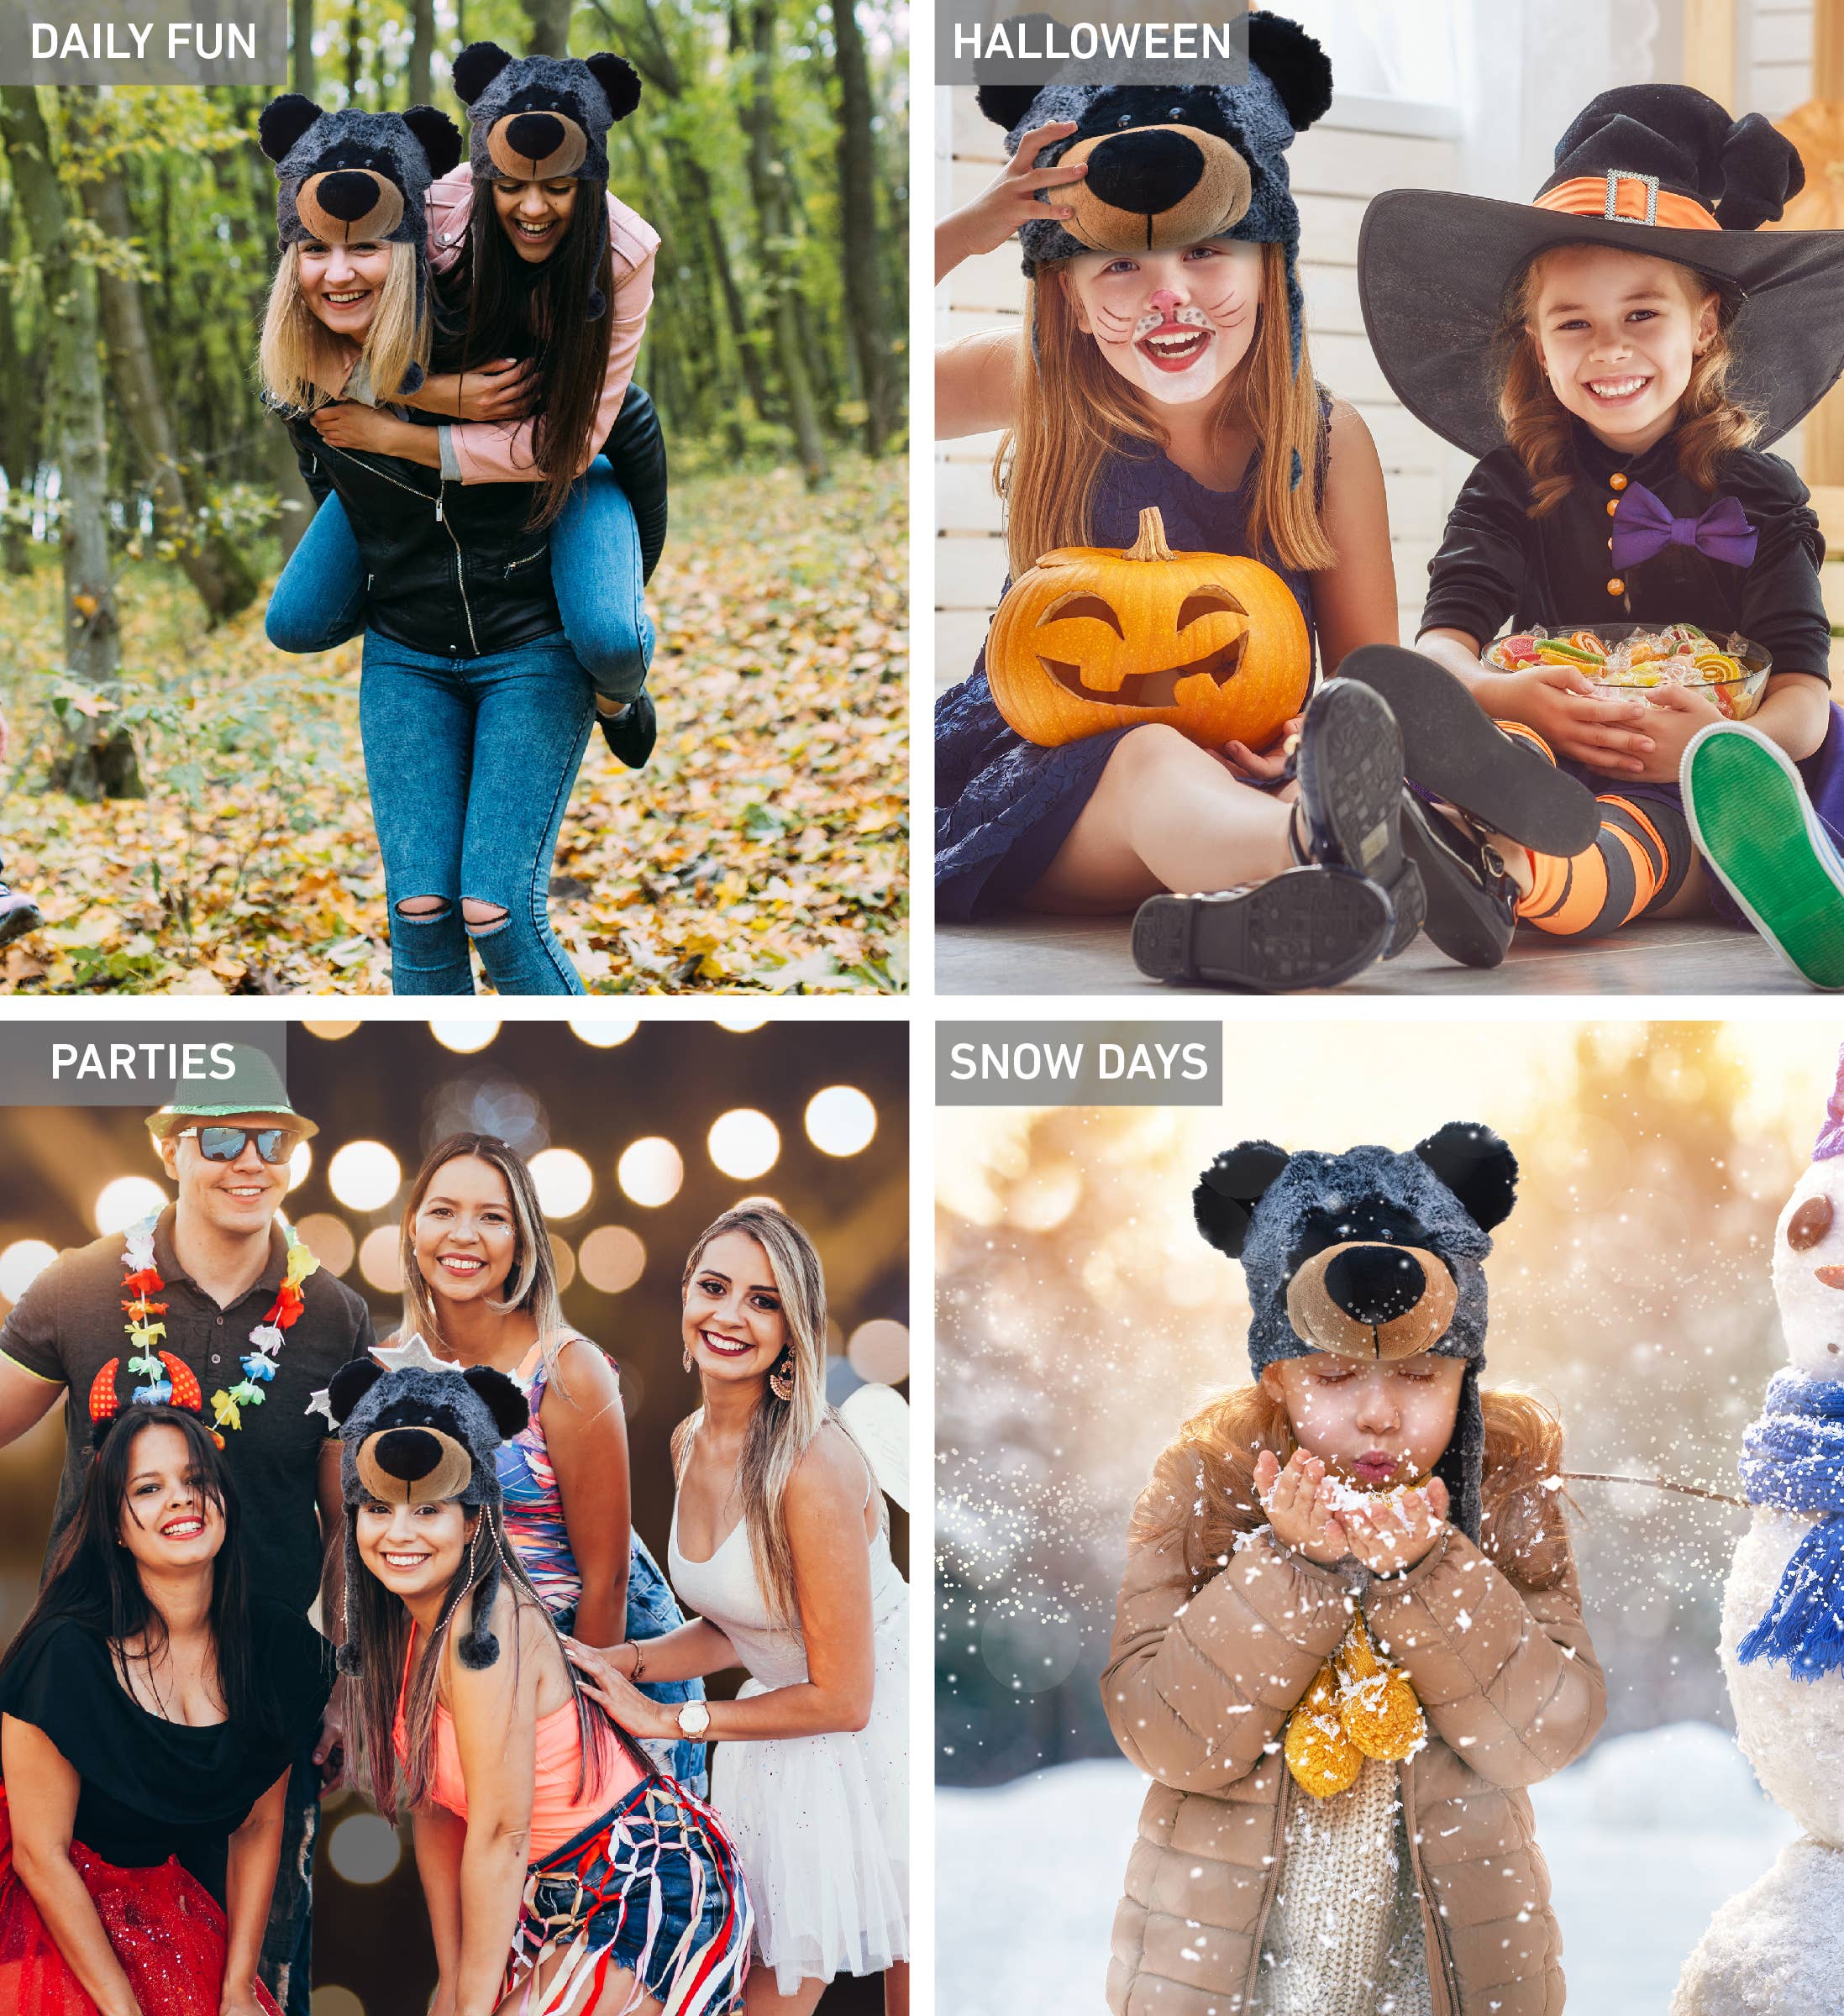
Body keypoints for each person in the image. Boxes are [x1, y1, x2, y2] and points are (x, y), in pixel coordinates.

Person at [932, 18, 1592, 991]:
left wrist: (1350, 726)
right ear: (1066, 298)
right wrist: (969, 230)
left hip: (1252, 767)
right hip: (1050, 781)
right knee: (1153, 755)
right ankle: (1341, 847)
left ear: (1267, 266)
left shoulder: (1322, 442)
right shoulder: (1041, 383)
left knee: (1345, 735)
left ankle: (1276, 905)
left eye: (1208, 256)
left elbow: (1366, 665)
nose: (1170, 298)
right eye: (1120, 265)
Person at [1103, 1129, 1605, 2015]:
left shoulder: (1502, 1482)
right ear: (1276, 1376)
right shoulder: (1207, 1484)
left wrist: (1429, 1571)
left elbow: (1543, 1732)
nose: (1377, 1414)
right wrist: (1286, 1564)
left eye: (1418, 1377)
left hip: (1444, 1975)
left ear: (1465, 1377)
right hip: (1230, 1974)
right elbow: (1166, 1737)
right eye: (1333, 1377)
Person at [1358, 83, 1844, 977]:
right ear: (1535, 346)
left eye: (1640, 315)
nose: (1607, 349)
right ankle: (1457, 849)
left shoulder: (1759, 495)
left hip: (1700, 757)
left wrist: (1714, 747)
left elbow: (1804, 708)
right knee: (1505, 758)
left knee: (1641, 825)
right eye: (1571, 324)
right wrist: (1507, 694)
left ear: (1702, 326)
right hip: (1545, 729)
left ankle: (1538, 874)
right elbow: (1442, 653)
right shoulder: (1509, 484)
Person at [255, 94, 665, 995]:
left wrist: (428, 419)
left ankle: (614, 688)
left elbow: (617, 424)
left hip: (530, 628)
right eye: (315, 252)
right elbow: (339, 478)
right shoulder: (297, 381)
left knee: (497, 912)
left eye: (364, 248)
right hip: (410, 647)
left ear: (413, 250)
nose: (338, 273)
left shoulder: (488, 323)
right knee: (420, 913)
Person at [0, 1045, 373, 2016]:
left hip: (253, 1698)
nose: (248, 1161)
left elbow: (348, 1529)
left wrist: (338, 1685)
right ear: (171, 1147)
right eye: (220, 1137)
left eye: (271, 1140)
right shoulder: (82, 1289)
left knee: (257, 1976)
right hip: (97, 1695)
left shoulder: (332, 1316)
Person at [265, 45, 663, 771]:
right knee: (294, 619)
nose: (533, 206)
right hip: (425, 467)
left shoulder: (625, 253)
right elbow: (326, 331)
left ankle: (613, 695)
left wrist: (395, 435)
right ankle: (429, 639)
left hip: (569, 453)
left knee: (609, 637)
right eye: (509, 184)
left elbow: (566, 448)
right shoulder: (436, 211)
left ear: (591, 176)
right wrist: (430, 393)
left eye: (560, 188)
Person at [329, 1339, 751, 2016]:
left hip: (644, 1881)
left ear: (473, 1521)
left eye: (428, 1509)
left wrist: (471, 2005)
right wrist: (458, 1984)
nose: (398, 1534)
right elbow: (441, 1811)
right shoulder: (401, 1638)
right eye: (378, 1509)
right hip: (545, 1902)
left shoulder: (486, 1627)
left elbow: (501, 1833)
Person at [566, 1206, 908, 2015]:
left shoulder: (813, 1470)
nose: (729, 1315)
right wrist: (628, 1663)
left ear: (794, 1327)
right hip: (771, 1739)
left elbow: (843, 1698)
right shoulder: (690, 1439)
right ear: (686, 1297)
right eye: (714, 1288)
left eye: (762, 1300)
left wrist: (666, 1719)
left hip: (868, 1741)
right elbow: (747, 1622)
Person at [0, 1372, 333, 2016]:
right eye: (148, 1489)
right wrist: (123, 2009)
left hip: (168, 1915)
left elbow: (261, 1822)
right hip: (54, 1925)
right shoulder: (63, 1657)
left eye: (195, 1481)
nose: (180, 1501)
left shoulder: (275, 1647)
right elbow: (41, 1857)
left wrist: (238, 1986)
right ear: (117, 1529)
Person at [390, 1131, 708, 1790]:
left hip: (585, 1662)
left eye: (493, 1217)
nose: (464, 1235)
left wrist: (576, 1732)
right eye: (443, 1211)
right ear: (414, 1229)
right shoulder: (389, 1368)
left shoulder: (567, 1371)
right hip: (466, 1664)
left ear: (522, 1243)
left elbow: (608, 1577)